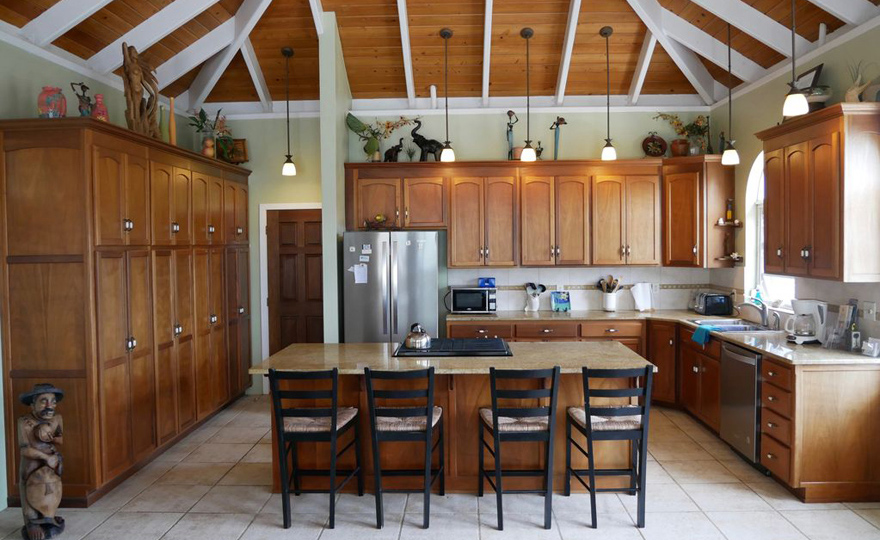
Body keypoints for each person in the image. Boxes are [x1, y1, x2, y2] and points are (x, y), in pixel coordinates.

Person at [18, 384, 65, 540]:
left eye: (52, 401)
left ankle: (49, 518)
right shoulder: (24, 422)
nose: (49, 406)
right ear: (32, 404)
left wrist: (52, 438)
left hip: (52, 465)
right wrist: (46, 458)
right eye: (43, 401)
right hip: (32, 464)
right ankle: (32, 523)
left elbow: (60, 439)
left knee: (51, 488)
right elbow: (25, 450)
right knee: (30, 489)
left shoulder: (57, 419)